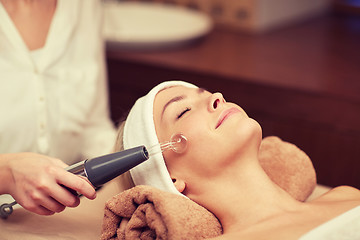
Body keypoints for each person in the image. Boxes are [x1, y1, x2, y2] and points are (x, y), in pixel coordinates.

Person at [118, 80, 360, 239]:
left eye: (209, 94)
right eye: (183, 111)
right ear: (171, 178)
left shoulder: (348, 196)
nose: (218, 97)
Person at [0, 0, 116, 216]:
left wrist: (136, 166)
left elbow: (93, 127)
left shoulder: (84, 6)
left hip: (57, 220)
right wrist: (7, 173)